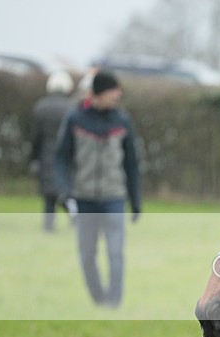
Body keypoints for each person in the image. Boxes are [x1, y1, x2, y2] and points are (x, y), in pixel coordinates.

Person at [53, 70, 141, 308]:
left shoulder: (122, 121)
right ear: (96, 94)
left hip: (114, 197)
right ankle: (98, 299)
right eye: (112, 94)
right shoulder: (74, 119)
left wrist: (135, 201)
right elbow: (61, 158)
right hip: (84, 199)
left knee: (115, 254)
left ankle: (114, 302)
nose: (116, 98)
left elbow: (131, 163)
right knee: (87, 256)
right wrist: (65, 192)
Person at [30, 71, 76, 232]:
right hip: (66, 155)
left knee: (48, 194)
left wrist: (34, 158)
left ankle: (48, 226)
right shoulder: (71, 107)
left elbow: (35, 136)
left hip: (46, 153)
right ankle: (74, 218)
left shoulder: (41, 106)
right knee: (65, 191)